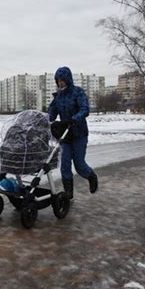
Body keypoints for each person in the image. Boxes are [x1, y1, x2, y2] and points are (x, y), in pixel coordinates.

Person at [48, 66, 98, 199]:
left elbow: (85, 109)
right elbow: (50, 114)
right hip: (65, 135)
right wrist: (45, 120)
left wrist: (73, 119)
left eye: (62, 80)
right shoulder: (57, 97)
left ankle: (91, 176)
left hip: (79, 134)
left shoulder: (78, 92)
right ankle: (68, 193)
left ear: (68, 79)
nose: (60, 83)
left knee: (79, 165)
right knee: (65, 164)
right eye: (58, 81)